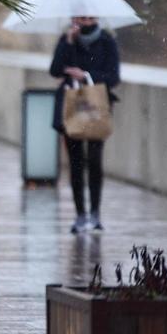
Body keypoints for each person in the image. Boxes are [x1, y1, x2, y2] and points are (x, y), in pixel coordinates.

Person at [49, 15, 120, 235]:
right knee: (76, 163)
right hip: (71, 106)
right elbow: (55, 70)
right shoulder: (67, 38)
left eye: (89, 18)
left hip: (97, 105)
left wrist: (86, 75)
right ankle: (80, 214)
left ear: (96, 18)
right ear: (74, 19)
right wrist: (69, 42)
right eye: (81, 18)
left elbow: (113, 76)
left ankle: (95, 213)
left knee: (95, 161)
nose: (86, 22)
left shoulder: (107, 40)